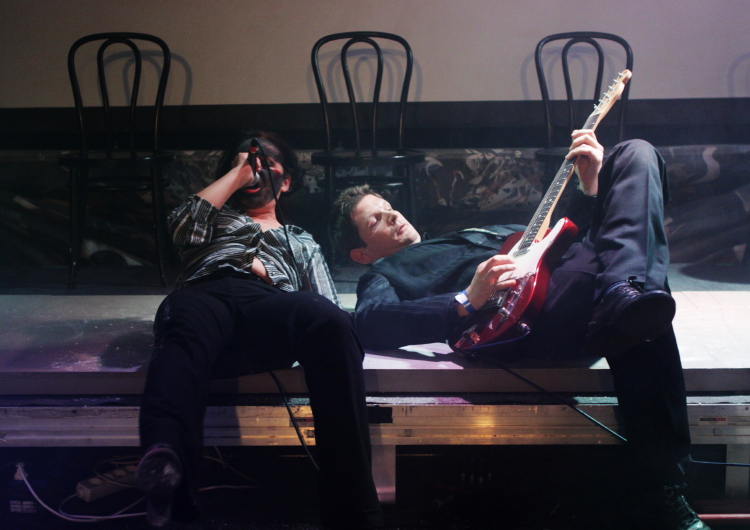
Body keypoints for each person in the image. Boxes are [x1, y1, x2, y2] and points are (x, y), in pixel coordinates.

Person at [330, 131, 709, 530]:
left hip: (569, 280)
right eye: (375, 220)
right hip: (524, 317)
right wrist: (466, 299)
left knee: (636, 152)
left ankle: (621, 290)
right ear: (361, 254)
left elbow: (558, 239)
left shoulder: (470, 235)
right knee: (642, 287)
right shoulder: (384, 272)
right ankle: (660, 487)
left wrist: (590, 187)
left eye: (388, 207)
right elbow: (369, 320)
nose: (392, 215)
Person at [136, 131, 382, 530]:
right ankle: (167, 470)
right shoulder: (214, 216)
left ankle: (354, 510)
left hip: (268, 306)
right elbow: (180, 226)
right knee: (185, 326)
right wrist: (237, 173)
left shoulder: (300, 240)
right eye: (244, 161)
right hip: (206, 295)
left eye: (266, 162)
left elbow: (329, 309)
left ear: (286, 181)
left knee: (332, 323)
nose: (254, 167)